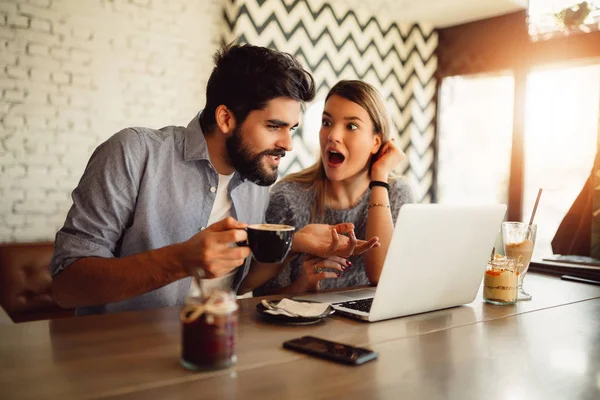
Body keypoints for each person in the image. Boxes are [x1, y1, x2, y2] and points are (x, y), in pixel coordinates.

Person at [51, 45, 378, 316]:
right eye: (273, 126)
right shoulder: (133, 153)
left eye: (290, 129)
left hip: (217, 347)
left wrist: (295, 243)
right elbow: (67, 285)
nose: (288, 144)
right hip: (121, 358)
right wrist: (180, 261)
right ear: (225, 118)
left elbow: (242, 283)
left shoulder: (255, 180)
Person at [244, 80, 413, 295]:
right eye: (326, 122)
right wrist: (303, 285)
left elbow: (381, 276)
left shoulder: (397, 192)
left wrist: (380, 178)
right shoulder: (288, 197)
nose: (333, 135)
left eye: (351, 126)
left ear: (376, 142)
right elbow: (260, 295)